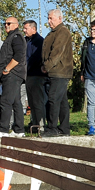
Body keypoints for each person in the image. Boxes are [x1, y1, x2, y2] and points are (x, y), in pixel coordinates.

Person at [0, 18, 26, 138]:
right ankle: (19, 130)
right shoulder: (11, 37)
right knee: (16, 102)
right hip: (12, 74)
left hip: (13, 74)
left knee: (5, 101)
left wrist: (7, 69)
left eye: (9, 23)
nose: (6, 25)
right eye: (5, 24)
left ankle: (3, 129)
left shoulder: (16, 37)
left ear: (16, 25)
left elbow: (19, 55)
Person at [41, 9, 73, 138]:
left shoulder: (62, 32)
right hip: (55, 71)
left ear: (59, 18)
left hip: (59, 71)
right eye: (48, 18)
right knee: (62, 101)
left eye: (51, 18)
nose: (49, 21)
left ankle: (52, 128)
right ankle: (64, 128)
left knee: (53, 99)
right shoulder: (54, 32)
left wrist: (46, 66)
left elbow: (57, 52)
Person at [23, 19, 46, 134]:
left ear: (33, 28)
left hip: (36, 75)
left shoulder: (39, 41)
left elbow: (36, 58)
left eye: (26, 28)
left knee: (38, 102)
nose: (24, 30)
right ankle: (35, 124)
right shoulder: (26, 41)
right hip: (28, 75)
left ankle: (41, 126)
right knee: (31, 103)